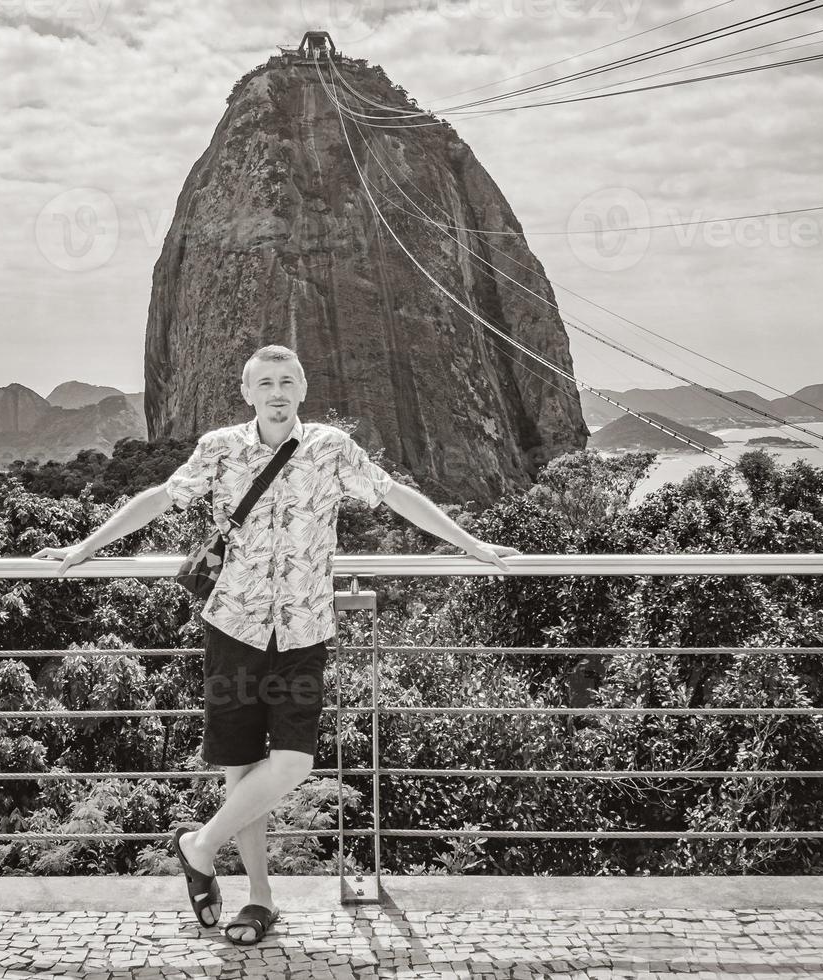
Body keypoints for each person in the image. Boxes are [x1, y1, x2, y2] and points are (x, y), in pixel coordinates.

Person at [32, 344, 519, 944]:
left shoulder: (331, 449)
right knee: (241, 773)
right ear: (249, 393)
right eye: (266, 383)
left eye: (288, 381)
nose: (278, 392)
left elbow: (393, 493)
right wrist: (84, 549)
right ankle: (259, 901)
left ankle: (198, 845)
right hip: (233, 625)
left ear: (304, 388)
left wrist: (474, 547)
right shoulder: (219, 448)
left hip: (304, 629)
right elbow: (160, 497)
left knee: (292, 762)